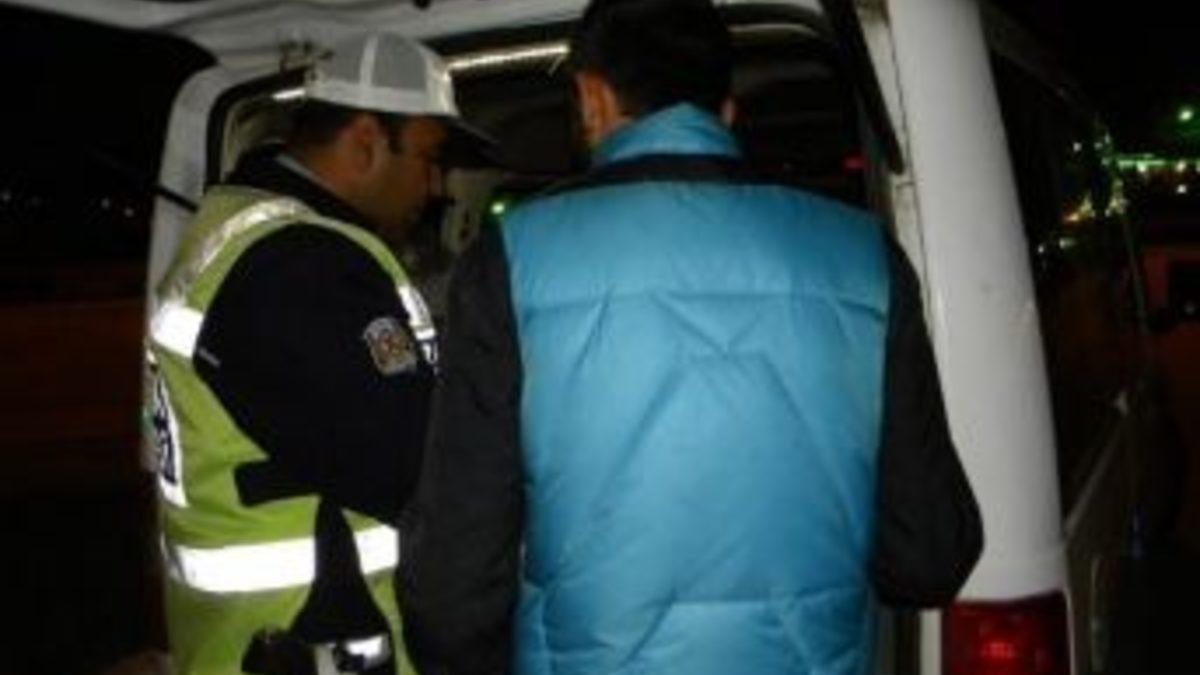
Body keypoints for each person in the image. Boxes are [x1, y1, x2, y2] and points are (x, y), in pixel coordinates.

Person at [399, 0, 984, 673]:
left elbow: (453, 592)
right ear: (726, 113)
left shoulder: (512, 260)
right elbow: (930, 557)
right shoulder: (866, 259)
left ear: (592, 98)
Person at [144, 31, 486, 675]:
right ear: (365, 141)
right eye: (428, 157)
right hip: (314, 636)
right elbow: (417, 468)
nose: (437, 184)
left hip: (247, 637)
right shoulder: (298, 267)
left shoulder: (241, 227)